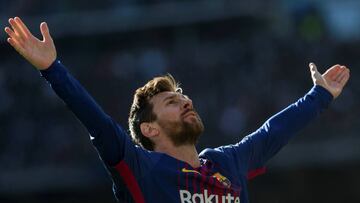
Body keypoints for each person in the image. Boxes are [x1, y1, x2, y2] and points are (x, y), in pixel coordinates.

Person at [4, 17, 350, 203]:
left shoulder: (226, 163)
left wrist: (319, 95)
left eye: (184, 98)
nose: (186, 101)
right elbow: (95, 120)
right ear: (149, 129)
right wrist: (52, 69)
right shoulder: (142, 169)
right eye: (172, 101)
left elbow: (272, 133)